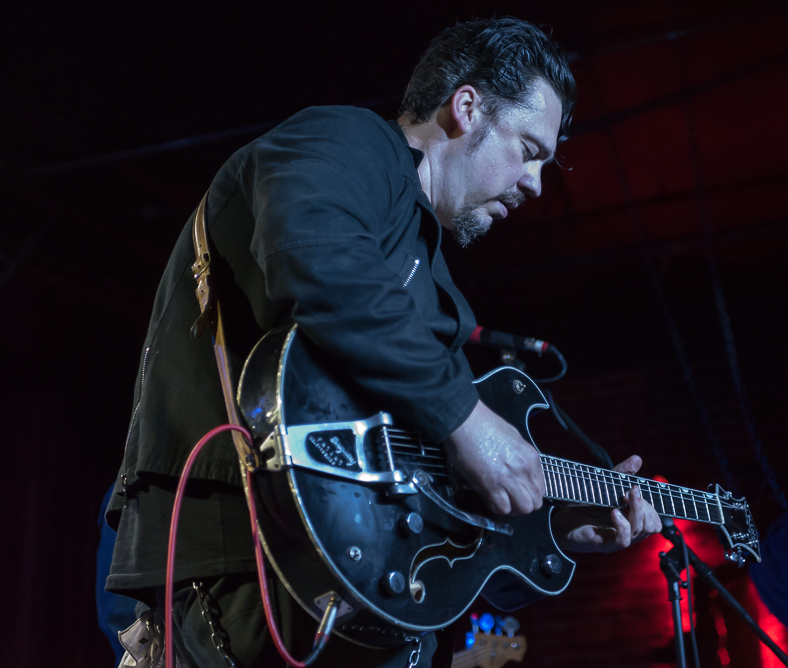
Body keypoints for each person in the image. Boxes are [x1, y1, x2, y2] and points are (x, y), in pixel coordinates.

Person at [106, 17, 661, 667]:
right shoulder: (349, 140)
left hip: (335, 600)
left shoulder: (435, 284)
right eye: (529, 150)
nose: (537, 183)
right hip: (243, 565)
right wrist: (465, 417)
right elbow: (313, 252)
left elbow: (432, 503)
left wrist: (554, 529)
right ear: (466, 107)